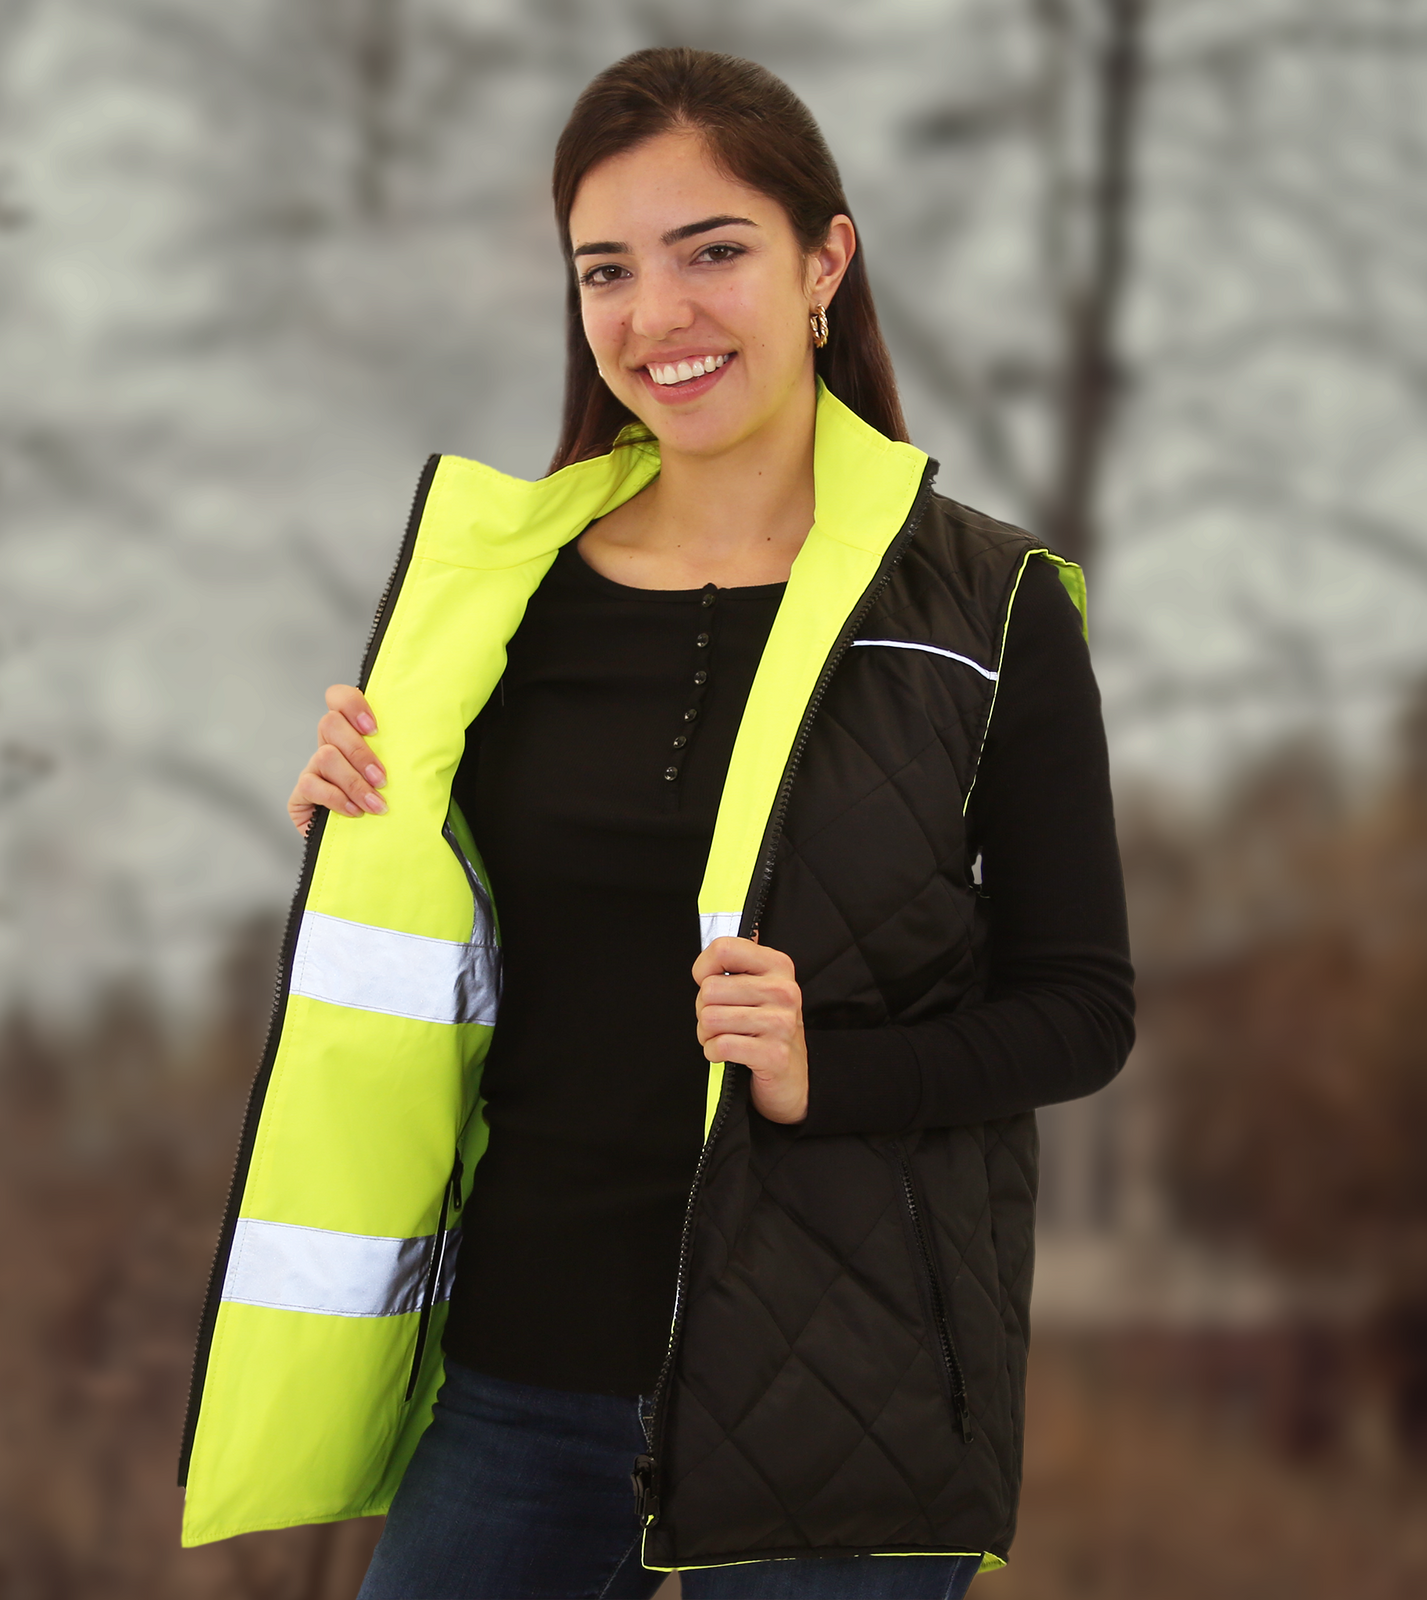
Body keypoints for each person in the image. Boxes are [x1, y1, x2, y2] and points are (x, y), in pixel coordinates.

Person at [177, 47, 1134, 1600]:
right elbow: (473, 975)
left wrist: (833, 1067)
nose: (655, 315)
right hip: (523, 1372)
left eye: (714, 252)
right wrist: (360, 835)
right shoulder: (495, 597)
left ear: (825, 261)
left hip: (850, 1388)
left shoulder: (987, 607)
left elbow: (1085, 1010)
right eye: (606, 270)